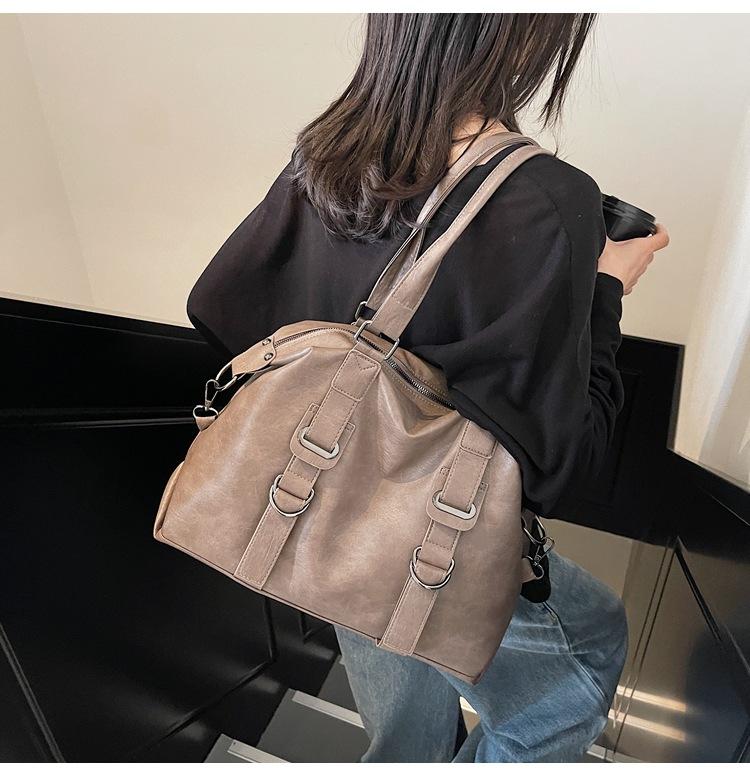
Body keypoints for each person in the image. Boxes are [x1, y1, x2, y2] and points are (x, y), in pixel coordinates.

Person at [186, 13, 670, 763]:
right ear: (521, 33)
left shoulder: (328, 149)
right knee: (590, 644)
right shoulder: (549, 198)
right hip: (438, 530)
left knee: (383, 655)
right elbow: (562, 466)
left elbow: (219, 304)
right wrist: (605, 287)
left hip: (318, 507)